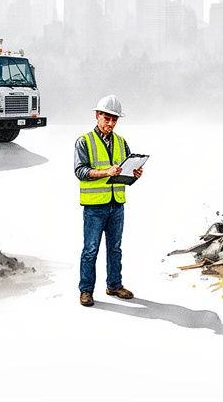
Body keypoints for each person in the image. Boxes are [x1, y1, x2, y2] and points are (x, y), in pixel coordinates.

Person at [74, 94, 144, 307]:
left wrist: (135, 174)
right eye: (107, 118)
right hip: (95, 207)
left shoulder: (122, 142)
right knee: (90, 250)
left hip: (117, 205)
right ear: (97, 116)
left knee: (115, 248)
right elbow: (80, 171)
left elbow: (126, 170)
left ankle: (114, 285)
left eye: (114, 119)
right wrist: (106, 172)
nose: (110, 123)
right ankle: (86, 290)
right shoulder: (84, 141)